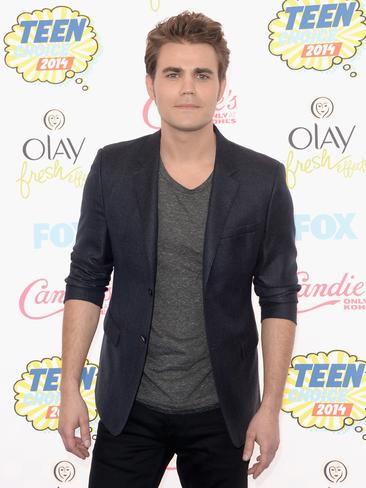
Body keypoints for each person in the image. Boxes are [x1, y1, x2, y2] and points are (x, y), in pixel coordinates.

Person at [58, 10, 301, 488]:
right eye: (173, 74)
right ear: (151, 85)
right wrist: (69, 386)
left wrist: (270, 407)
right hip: (130, 407)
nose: (187, 88)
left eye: (201, 75)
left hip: (223, 411)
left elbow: (278, 297)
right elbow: (86, 279)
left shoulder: (262, 180)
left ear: (221, 85)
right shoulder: (113, 168)